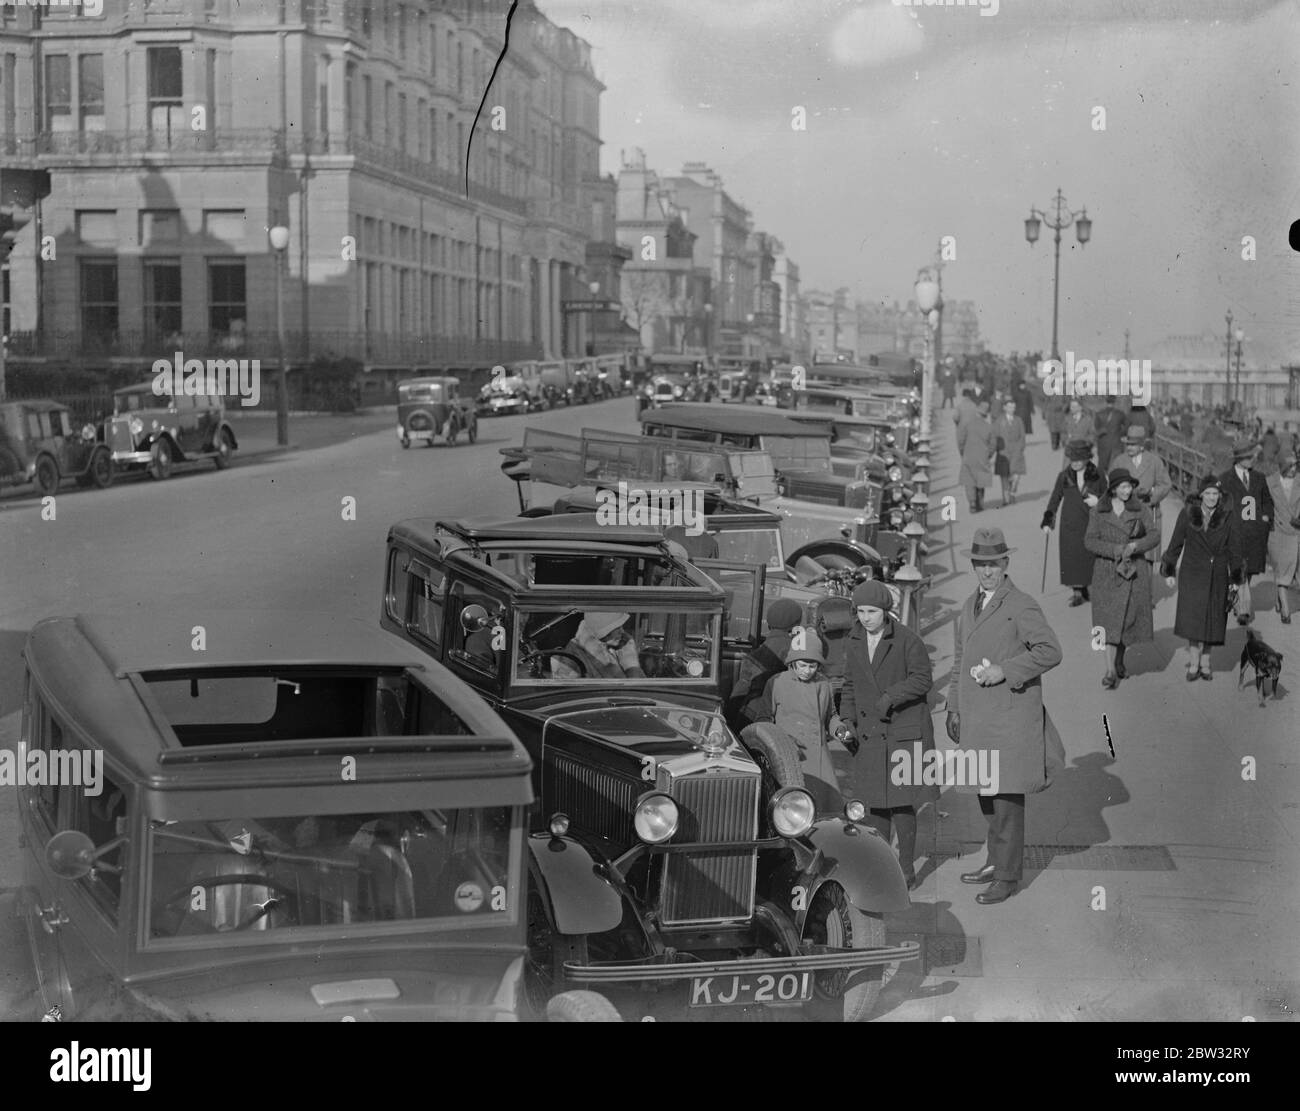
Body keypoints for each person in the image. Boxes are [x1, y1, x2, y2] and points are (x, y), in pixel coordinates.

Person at [947, 528, 1064, 905]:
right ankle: (996, 861)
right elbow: (958, 662)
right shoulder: (969, 605)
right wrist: (953, 705)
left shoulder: (1021, 604)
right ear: (974, 566)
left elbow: (1050, 651)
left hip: (1010, 720)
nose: (987, 572)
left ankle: (1008, 876)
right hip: (979, 719)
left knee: (1007, 800)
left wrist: (1006, 670)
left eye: (994, 565)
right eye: (981, 564)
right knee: (986, 795)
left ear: (1005, 564)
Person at [837, 580, 935, 890]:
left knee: (902, 802)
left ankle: (906, 868)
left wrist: (891, 697)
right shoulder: (853, 640)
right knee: (875, 803)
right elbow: (849, 684)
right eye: (861, 611)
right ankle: (882, 865)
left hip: (903, 731)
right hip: (869, 734)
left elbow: (923, 679)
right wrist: (847, 719)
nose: (865, 618)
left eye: (872, 612)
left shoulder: (908, 640)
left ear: (885, 611)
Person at [1160, 476, 1243, 680]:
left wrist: (1235, 578)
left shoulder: (1228, 516)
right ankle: (1194, 662)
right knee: (1193, 619)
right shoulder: (1188, 513)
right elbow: (1176, 542)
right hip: (1192, 572)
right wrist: (1169, 569)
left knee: (1213, 619)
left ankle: (1206, 661)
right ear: (1201, 495)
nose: (1212, 498)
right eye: (1208, 494)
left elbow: (1235, 548)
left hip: (1218, 574)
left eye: (1216, 494)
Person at [1084, 468, 1159, 688]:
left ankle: (1119, 661)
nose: (1128, 491)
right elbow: (1089, 541)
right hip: (1106, 573)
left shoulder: (1140, 509)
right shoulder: (1098, 511)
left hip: (1133, 573)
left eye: (1130, 487)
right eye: (1123, 487)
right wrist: (1116, 550)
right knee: (1108, 622)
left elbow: (1154, 535)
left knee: (1126, 621)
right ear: (1114, 488)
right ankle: (1109, 671)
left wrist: (1137, 545)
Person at [760, 631, 847, 814]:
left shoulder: (824, 684)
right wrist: (780, 740)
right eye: (802, 665)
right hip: (789, 756)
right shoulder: (776, 683)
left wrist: (839, 729)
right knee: (792, 807)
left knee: (826, 809)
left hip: (819, 757)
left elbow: (830, 716)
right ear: (792, 662)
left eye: (813, 666)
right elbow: (764, 719)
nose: (807, 671)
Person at [1041, 439, 1106, 606]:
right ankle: (1077, 592)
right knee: (1072, 558)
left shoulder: (1097, 475)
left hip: (1091, 523)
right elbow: (1055, 498)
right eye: (1072, 460)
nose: (1075, 463)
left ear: (1086, 459)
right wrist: (1048, 520)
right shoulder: (1064, 476)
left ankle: (1088, 588)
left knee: (1090, 557)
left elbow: (1108, 497)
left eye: (1078, 460)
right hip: (1069, 523)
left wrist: (1098, 501)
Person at [1220, 439, 1274, 626]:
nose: (1252, 459)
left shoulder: (1259, 478)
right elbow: (1219, 505)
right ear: (1238, 459)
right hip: (1234, 533)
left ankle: (1234, 596)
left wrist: (1266, 518)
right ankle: (1243, 609)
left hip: (1254, 534)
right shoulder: (1225, 479)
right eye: (1248, 457)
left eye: (1253, 456)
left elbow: (1267, 500)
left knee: (1247, 571)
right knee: (1239, 567)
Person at [728, 598, 804, 723]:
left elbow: (738, 695)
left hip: (752, 719)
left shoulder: (754, 656)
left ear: (768, 625)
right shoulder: (797, 654)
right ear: (797, 626)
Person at [1107, 426, 1172, 567]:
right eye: (1128, 444)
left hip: (1149, 513)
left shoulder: (1154, 461)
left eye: (1133, 444)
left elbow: (1166, 484)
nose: (1129, 447)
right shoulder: (1119, 461)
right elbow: (1110, 486)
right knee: (1125, 559)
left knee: (1146, 559)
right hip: (1124, 515)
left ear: (1142, 446)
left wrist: (1151, 492)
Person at [552, 611, 645, 679]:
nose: (622, 631)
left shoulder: (623, 648)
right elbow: (568, 696)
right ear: (604, 630)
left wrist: (631, 666)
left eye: (622, 627)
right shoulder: (573, 655)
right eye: (617, 628)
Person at [1264, 449, 1300, 624]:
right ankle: (1285, 607)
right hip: (1277, 531)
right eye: (1291, 465)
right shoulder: (1270, 483)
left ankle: (1280, 596)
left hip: (1296, 531)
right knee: (1282, 568)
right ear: (1283, 466)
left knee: (1294, 569)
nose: (1294, 469)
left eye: (1295, 465)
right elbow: (1263, 504)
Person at [957, 396, 996, 514]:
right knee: (981, 481)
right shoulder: (989, 427)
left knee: (969, 481)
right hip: (983, 457)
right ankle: (980, 502)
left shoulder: (967, 424)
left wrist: (963, 452)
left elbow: (961, 440)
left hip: (968, 455)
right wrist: (988, 454)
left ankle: (972, 503)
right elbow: (993, 444)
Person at [992, 396, 1027, 507]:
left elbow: (1022, 436)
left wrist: (1021, 447)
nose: (1012, 409)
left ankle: (1012, 492)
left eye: (1013, 407)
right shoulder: (999, 421)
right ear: (1004, 408)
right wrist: (998, 448)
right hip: (1004, 452)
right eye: (1009, 407)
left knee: (1016, 476)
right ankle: (1006, 498)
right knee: (1004, 476)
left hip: (1016, 452)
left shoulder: (1018, 420)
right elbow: (994, 436)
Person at [1093, 396, 1127, 473]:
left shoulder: (1099, 414)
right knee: (1115, 465)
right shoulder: (1120, 414)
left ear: (1106, 402)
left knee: (1102, 464)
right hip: (1116, 442)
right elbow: (1126, 426)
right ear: (1115, 402)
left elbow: (1095, 428)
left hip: (1103, 442)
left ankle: (1101, 482)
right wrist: (1121, 434)